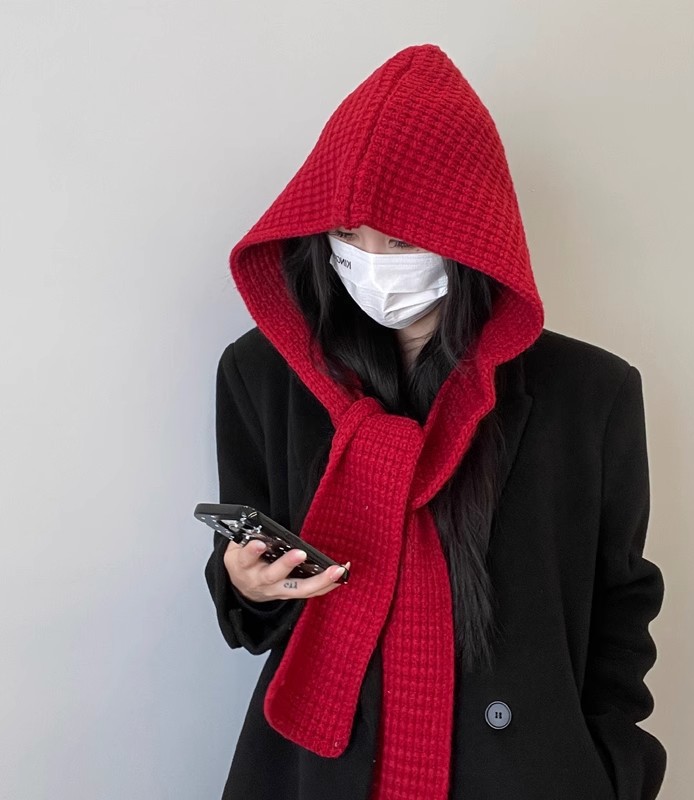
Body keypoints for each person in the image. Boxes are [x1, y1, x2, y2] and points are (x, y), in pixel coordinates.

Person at [204, 43, 667, 800]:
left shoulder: (592, 394)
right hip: (321, 772)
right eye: (347, 234)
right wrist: (247, 585)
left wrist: (613, 769)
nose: (371, 261)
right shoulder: (262, 375)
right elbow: (253, 599)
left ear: (470, 233)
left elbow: (622, 602)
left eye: (402, 239)